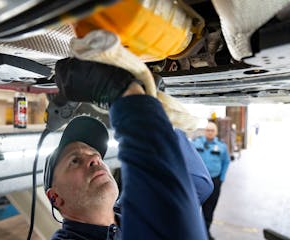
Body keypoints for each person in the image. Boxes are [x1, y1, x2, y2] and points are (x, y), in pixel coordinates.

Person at [43, 57, 209, 239]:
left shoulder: (126, 212)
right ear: (55, 198)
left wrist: (157, 115)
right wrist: (131, 101)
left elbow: (198, 183)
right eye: (75, 161)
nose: (95, 159)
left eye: (95, 154)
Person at [192, 122, 230, 240]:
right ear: (204, 131)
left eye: (212, 130)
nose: (209, 132)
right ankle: (193, 232)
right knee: (193, 207)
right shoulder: (195, 143)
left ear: (216, 132)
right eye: (207, 130)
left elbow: (226, 162)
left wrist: (222, 178)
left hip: (215, 181)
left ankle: (205, 233)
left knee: (209, 208)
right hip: (197, 182)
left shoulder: (222, 146)